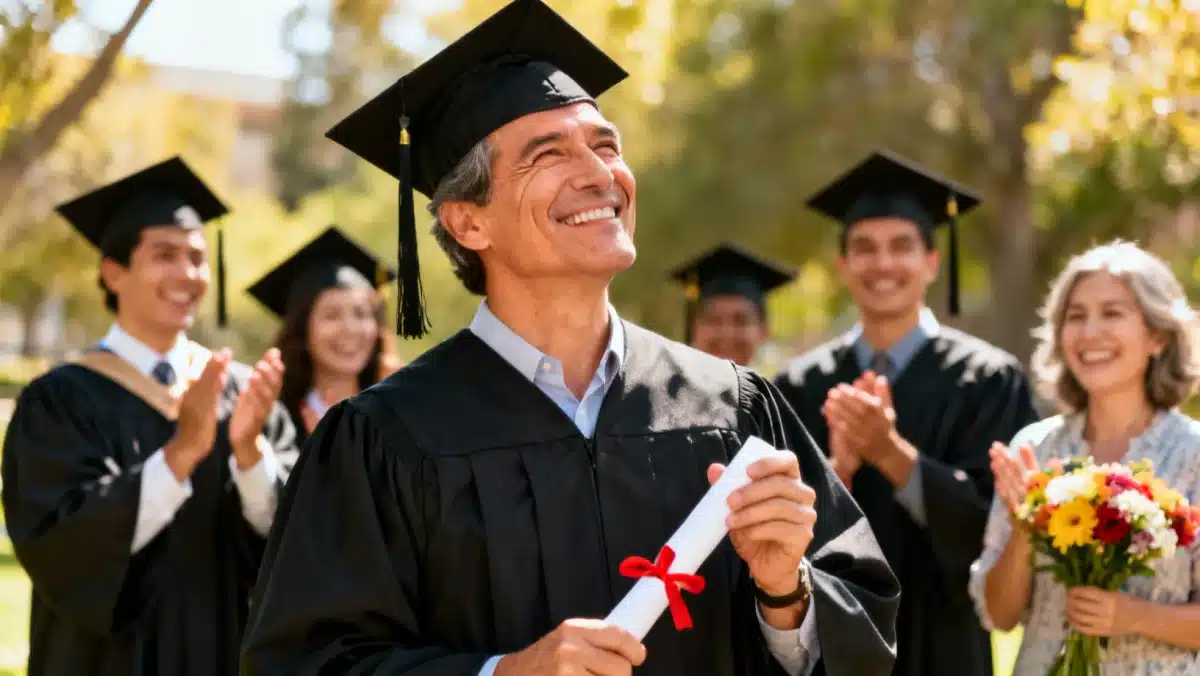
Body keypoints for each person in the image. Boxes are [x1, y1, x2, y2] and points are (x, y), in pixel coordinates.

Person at [240, 1, 900, 675]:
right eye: (549, 153)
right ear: (469, 223)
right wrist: (502, 673)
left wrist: (785, 593)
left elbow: (865, 626)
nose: (599, 173)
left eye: (606, 145)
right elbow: (306, 663)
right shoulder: (385, 439)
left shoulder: (730, 405)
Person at [1, 156, 299, 676]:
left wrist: (250, 455)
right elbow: (59, 547)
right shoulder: (59, 401)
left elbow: (292, 549)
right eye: (165, 254)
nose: (188, 274)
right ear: (113, 272)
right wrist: (182, 453)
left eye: (197, 257)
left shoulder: (243, 391)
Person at [773, 150, 1038, 676]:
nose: (883, 264)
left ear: (931, 262)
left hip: (945, 642)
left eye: (902, 246)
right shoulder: (798, 385)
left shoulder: (988, 380)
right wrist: (840, 469)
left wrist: (892, 456)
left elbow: (997, 528)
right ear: (843, 265)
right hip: (833, 641)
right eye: (864, 248)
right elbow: (779, 539)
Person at [971, 240, 1200, 674]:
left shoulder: (1194, 454)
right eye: (1075, 316)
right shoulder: (1035, 449)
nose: (1089, 332)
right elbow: (999, 617)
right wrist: (1024, 527)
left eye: (1112, 313)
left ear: (1157, 336)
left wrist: (1130, 615)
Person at [246, 225, 401, 445]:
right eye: (332, 315)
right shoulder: (273, 422)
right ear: (302, 331)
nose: (350, 328)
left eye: (361, 314)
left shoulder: (402, 414)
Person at [670, 242, 797, 366]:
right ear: (693, 327)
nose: (726, 334)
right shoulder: (663, 386)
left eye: (741, 321)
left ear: (764, 331)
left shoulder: (780, 386)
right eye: (713, 320)